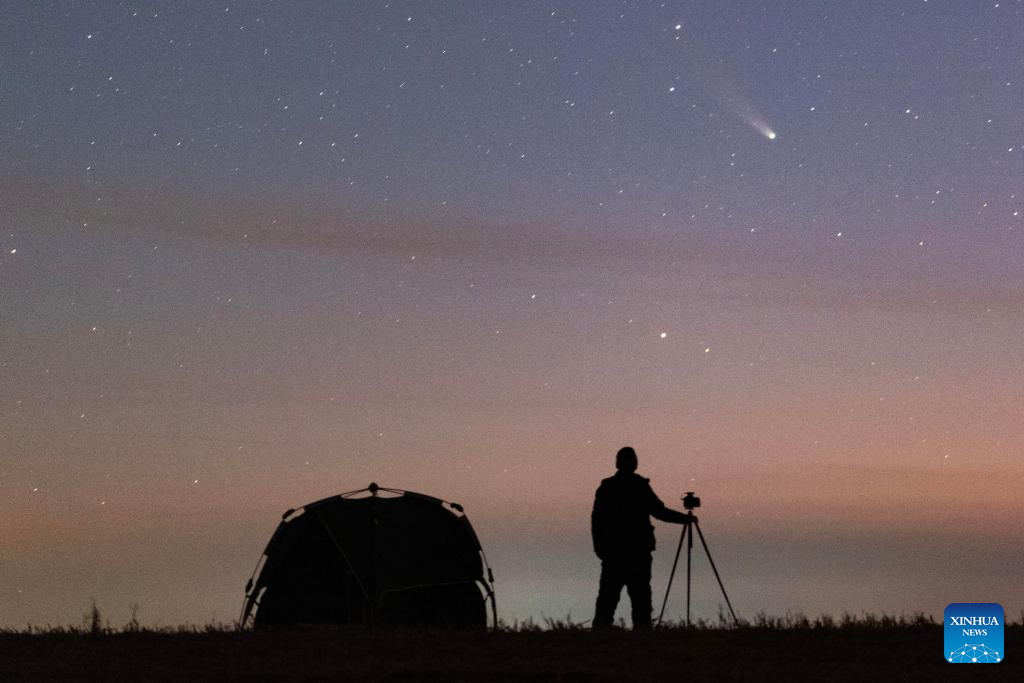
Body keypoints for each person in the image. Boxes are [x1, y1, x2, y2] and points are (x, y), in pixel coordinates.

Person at [591, 446, 693, 630]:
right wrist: (684, 519)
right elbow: (659, 512)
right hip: (636, 552)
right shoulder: (639, 486)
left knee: (608, 597)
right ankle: (642, 633)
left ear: (617, 463)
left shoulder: (607, 487)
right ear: (634, 463)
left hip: (613, 552)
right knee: (640, 598)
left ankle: (601, 633)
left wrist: (599, 547)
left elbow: (596, 521)